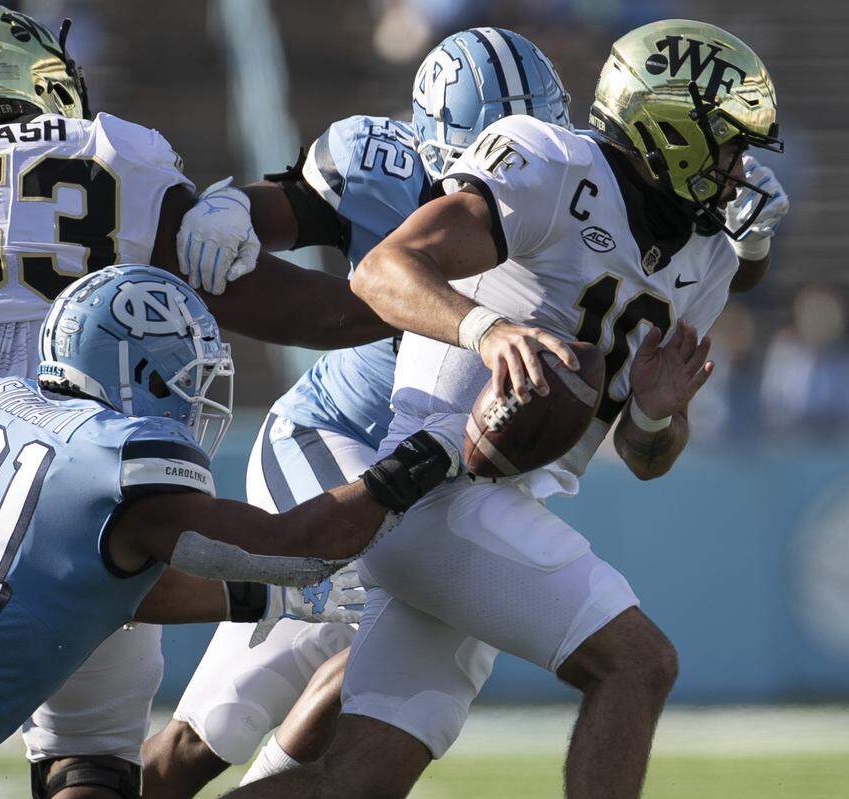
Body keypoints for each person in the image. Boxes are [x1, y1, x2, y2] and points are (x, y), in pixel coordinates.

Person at [0, 6, 389, 796]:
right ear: (40, 77)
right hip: (96, 500)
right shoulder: (120, 153)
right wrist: (423, 302)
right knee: (89, 758)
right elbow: (281, 305)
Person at [223, 18, 790, 799]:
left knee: (353, 784)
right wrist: (486, 330)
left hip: (496, 509)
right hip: (431, 490)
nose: (741, 167)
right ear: (673, 130)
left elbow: (646, 458)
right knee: (638, 662)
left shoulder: (708, 258)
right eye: (729, 143)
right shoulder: (552, 162)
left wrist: (657, 416)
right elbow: (386, 269)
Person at [0, 265, 460, 799]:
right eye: (185, 368)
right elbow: (298, 545)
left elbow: (92, 583)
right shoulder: (126, 461)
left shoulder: (1, 406)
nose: (194, 389)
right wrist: (419, 460)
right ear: (139, 368)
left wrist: (254, 601)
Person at [142, 28, 571, 796]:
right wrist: (228, 207)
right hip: (336, 435)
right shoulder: (384, 164)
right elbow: (276, 209)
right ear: (441, 145)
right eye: (497, 143)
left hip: (450, 469)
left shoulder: (576, 187)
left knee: (391, 636)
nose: (517, 163)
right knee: (248, 691)